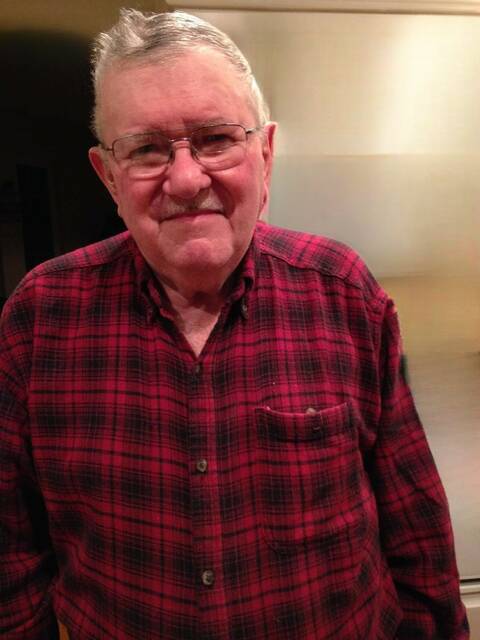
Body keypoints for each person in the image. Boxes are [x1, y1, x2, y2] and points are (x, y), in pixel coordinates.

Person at [0, 9, 469, 640]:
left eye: (216, 139)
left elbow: (417, 534)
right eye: (146, 149)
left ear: (265, 154)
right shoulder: (39, 316)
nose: (186, 179)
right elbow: (12, 549)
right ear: (109, 176)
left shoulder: (345, 293)